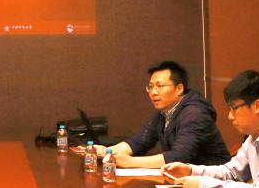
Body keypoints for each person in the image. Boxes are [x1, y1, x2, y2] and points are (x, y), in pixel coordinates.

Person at [96, 60, 230, 168]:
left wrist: (130, 162)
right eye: (150, 87)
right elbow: (140, 141)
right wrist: (108, 152)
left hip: (214, 181)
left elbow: (180, 156)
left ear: (179, 89)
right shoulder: (164, 112)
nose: (153, 92)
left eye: (160, 86)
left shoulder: (195, 113)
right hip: (187, 179)